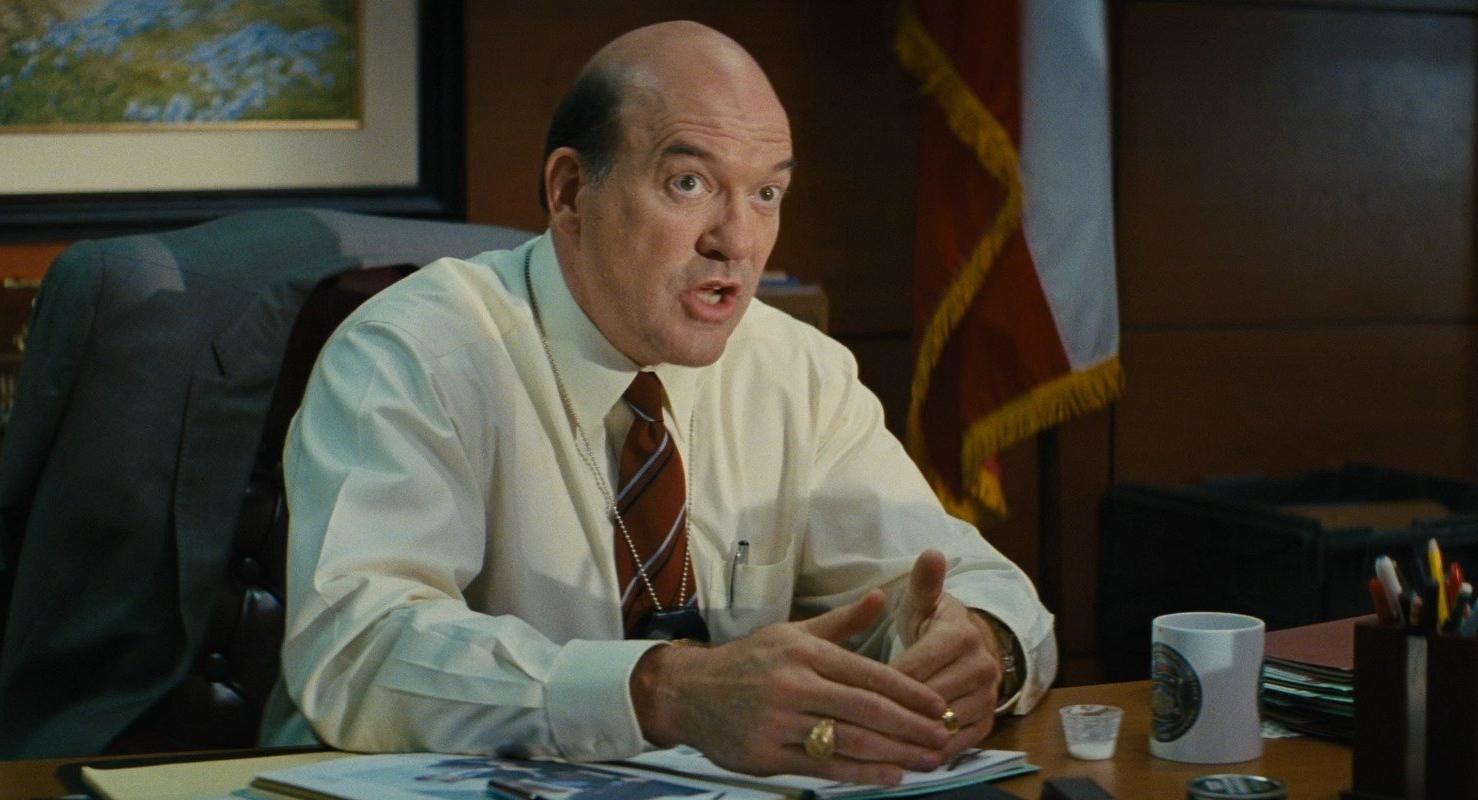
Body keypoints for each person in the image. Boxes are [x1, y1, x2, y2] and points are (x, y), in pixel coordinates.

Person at [264, 21, 1055, 785]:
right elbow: (355, 647)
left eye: (767, 193)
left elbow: (978, 585)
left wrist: (982, 646)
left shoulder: (798, 373)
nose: (736, 241)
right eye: (690, 184)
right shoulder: (415, 354)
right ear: (569, 193)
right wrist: (663, 692)